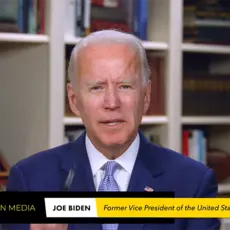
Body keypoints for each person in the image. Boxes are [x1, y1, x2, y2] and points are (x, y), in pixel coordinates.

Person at [4, 30, 220, 230]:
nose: (111, 102)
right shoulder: (30, 180)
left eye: (125, 86)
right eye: (97, 87)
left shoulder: (193, 185)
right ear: (74, 99)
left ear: (145, 96)